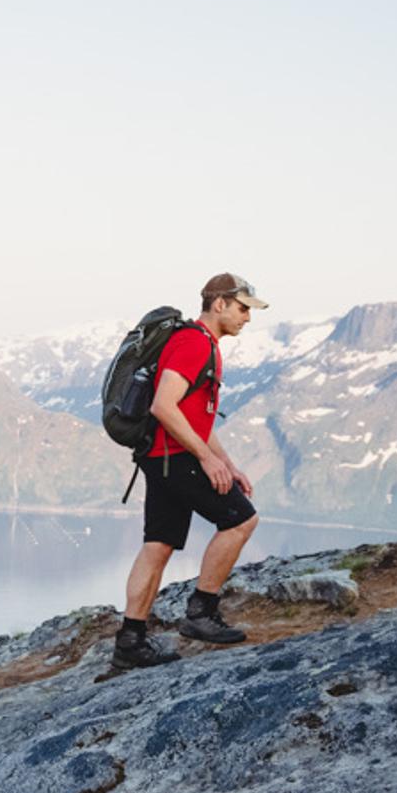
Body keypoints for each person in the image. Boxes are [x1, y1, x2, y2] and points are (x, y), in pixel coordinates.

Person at [114, 274, 267, 672]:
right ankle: (201, 613)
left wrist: (227, 463)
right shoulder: (195, 342)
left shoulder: (201, 344)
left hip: (164, 454)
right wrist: (206, 459)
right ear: (219, 304)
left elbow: (196, 417)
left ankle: (131, 640)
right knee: (240, 519)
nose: (248, 317)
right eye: (243, 307)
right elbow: (164, 406)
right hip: (176, 455)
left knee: (159, 544)